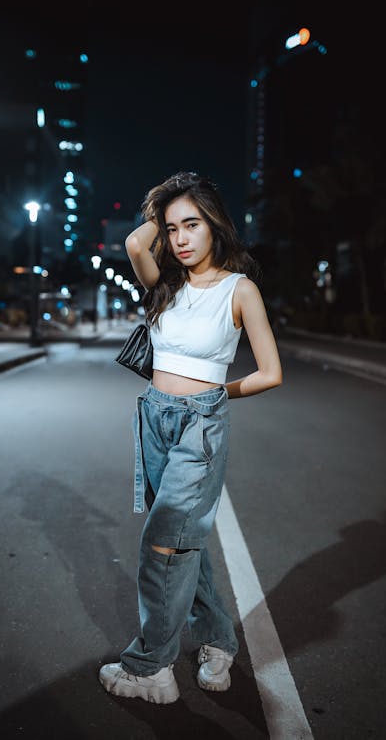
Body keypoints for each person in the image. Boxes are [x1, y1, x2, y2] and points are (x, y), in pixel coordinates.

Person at [99, 171, 282, 704]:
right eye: (172, 227)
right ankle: (220, 640)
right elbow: (136, 242)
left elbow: (270, 372)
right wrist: (164, 202)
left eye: (191, 224)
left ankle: (150, 665)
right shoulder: (165, 284)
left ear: (214, 224)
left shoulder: (239, 289)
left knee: (162, 547)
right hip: (154, 418)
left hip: (200, 424)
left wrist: (216, 396)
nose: (179, 238)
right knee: (183, 544)